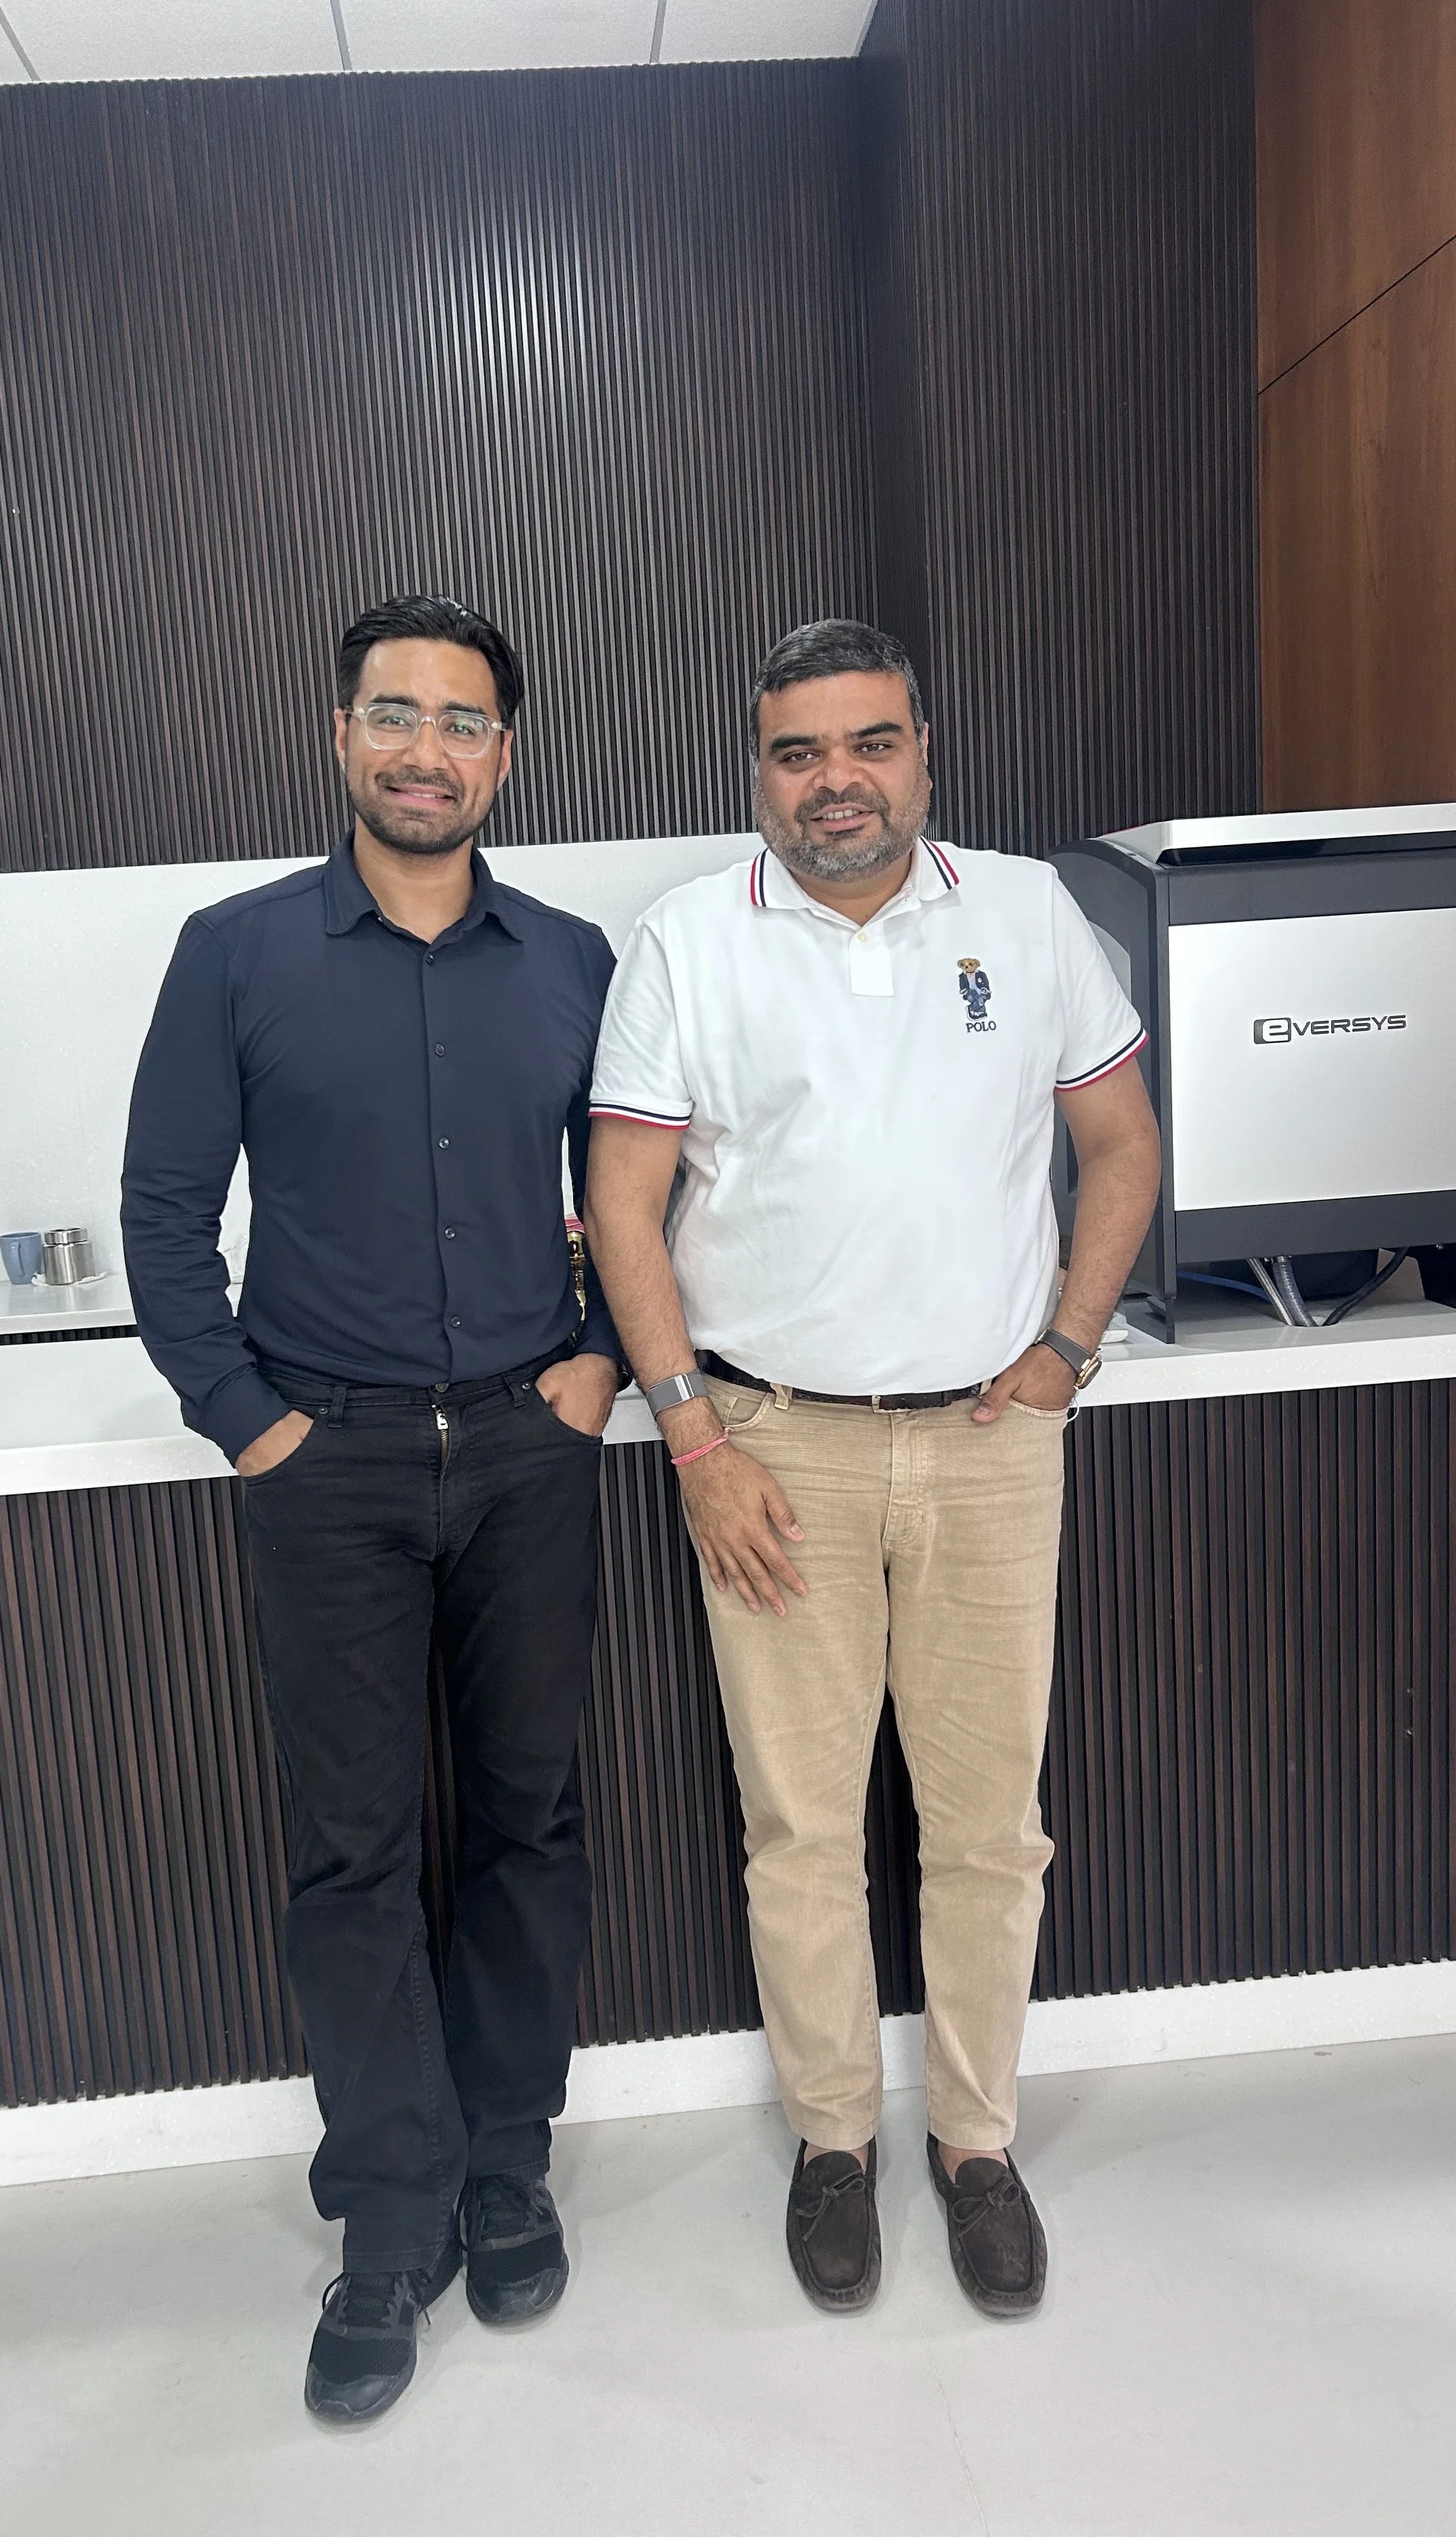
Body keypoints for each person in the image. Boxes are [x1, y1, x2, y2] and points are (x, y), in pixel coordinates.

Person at [584, 619, 1159, 2318]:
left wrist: (1064, 1347)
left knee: (989, 1828)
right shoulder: (688, 939)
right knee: (799, 1827)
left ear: (923, 748)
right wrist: (689, 1430)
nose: (835, 781)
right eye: (796, 752)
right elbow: (623, 1205)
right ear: (755, 767)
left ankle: (972, 2146)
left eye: (869, 743)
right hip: (768, 1446)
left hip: (991, 1444)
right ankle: (833, 2140)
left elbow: (1115, 1144)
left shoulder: (1027, 916)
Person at [122, 594, 623, 2422]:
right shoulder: (235, 951)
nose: (427, 749)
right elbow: (165, 1214)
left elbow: (647, 1198)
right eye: (394, 714)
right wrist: (246, 1422)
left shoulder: (572, 959)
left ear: (505, 751)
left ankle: (504, 2163)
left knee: (527, 1821)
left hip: (525, 1447)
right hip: (318, 1460)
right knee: (352, 1853)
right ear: (339, 734)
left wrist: (600, 1371)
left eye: (463, 721)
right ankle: (391, 2209)